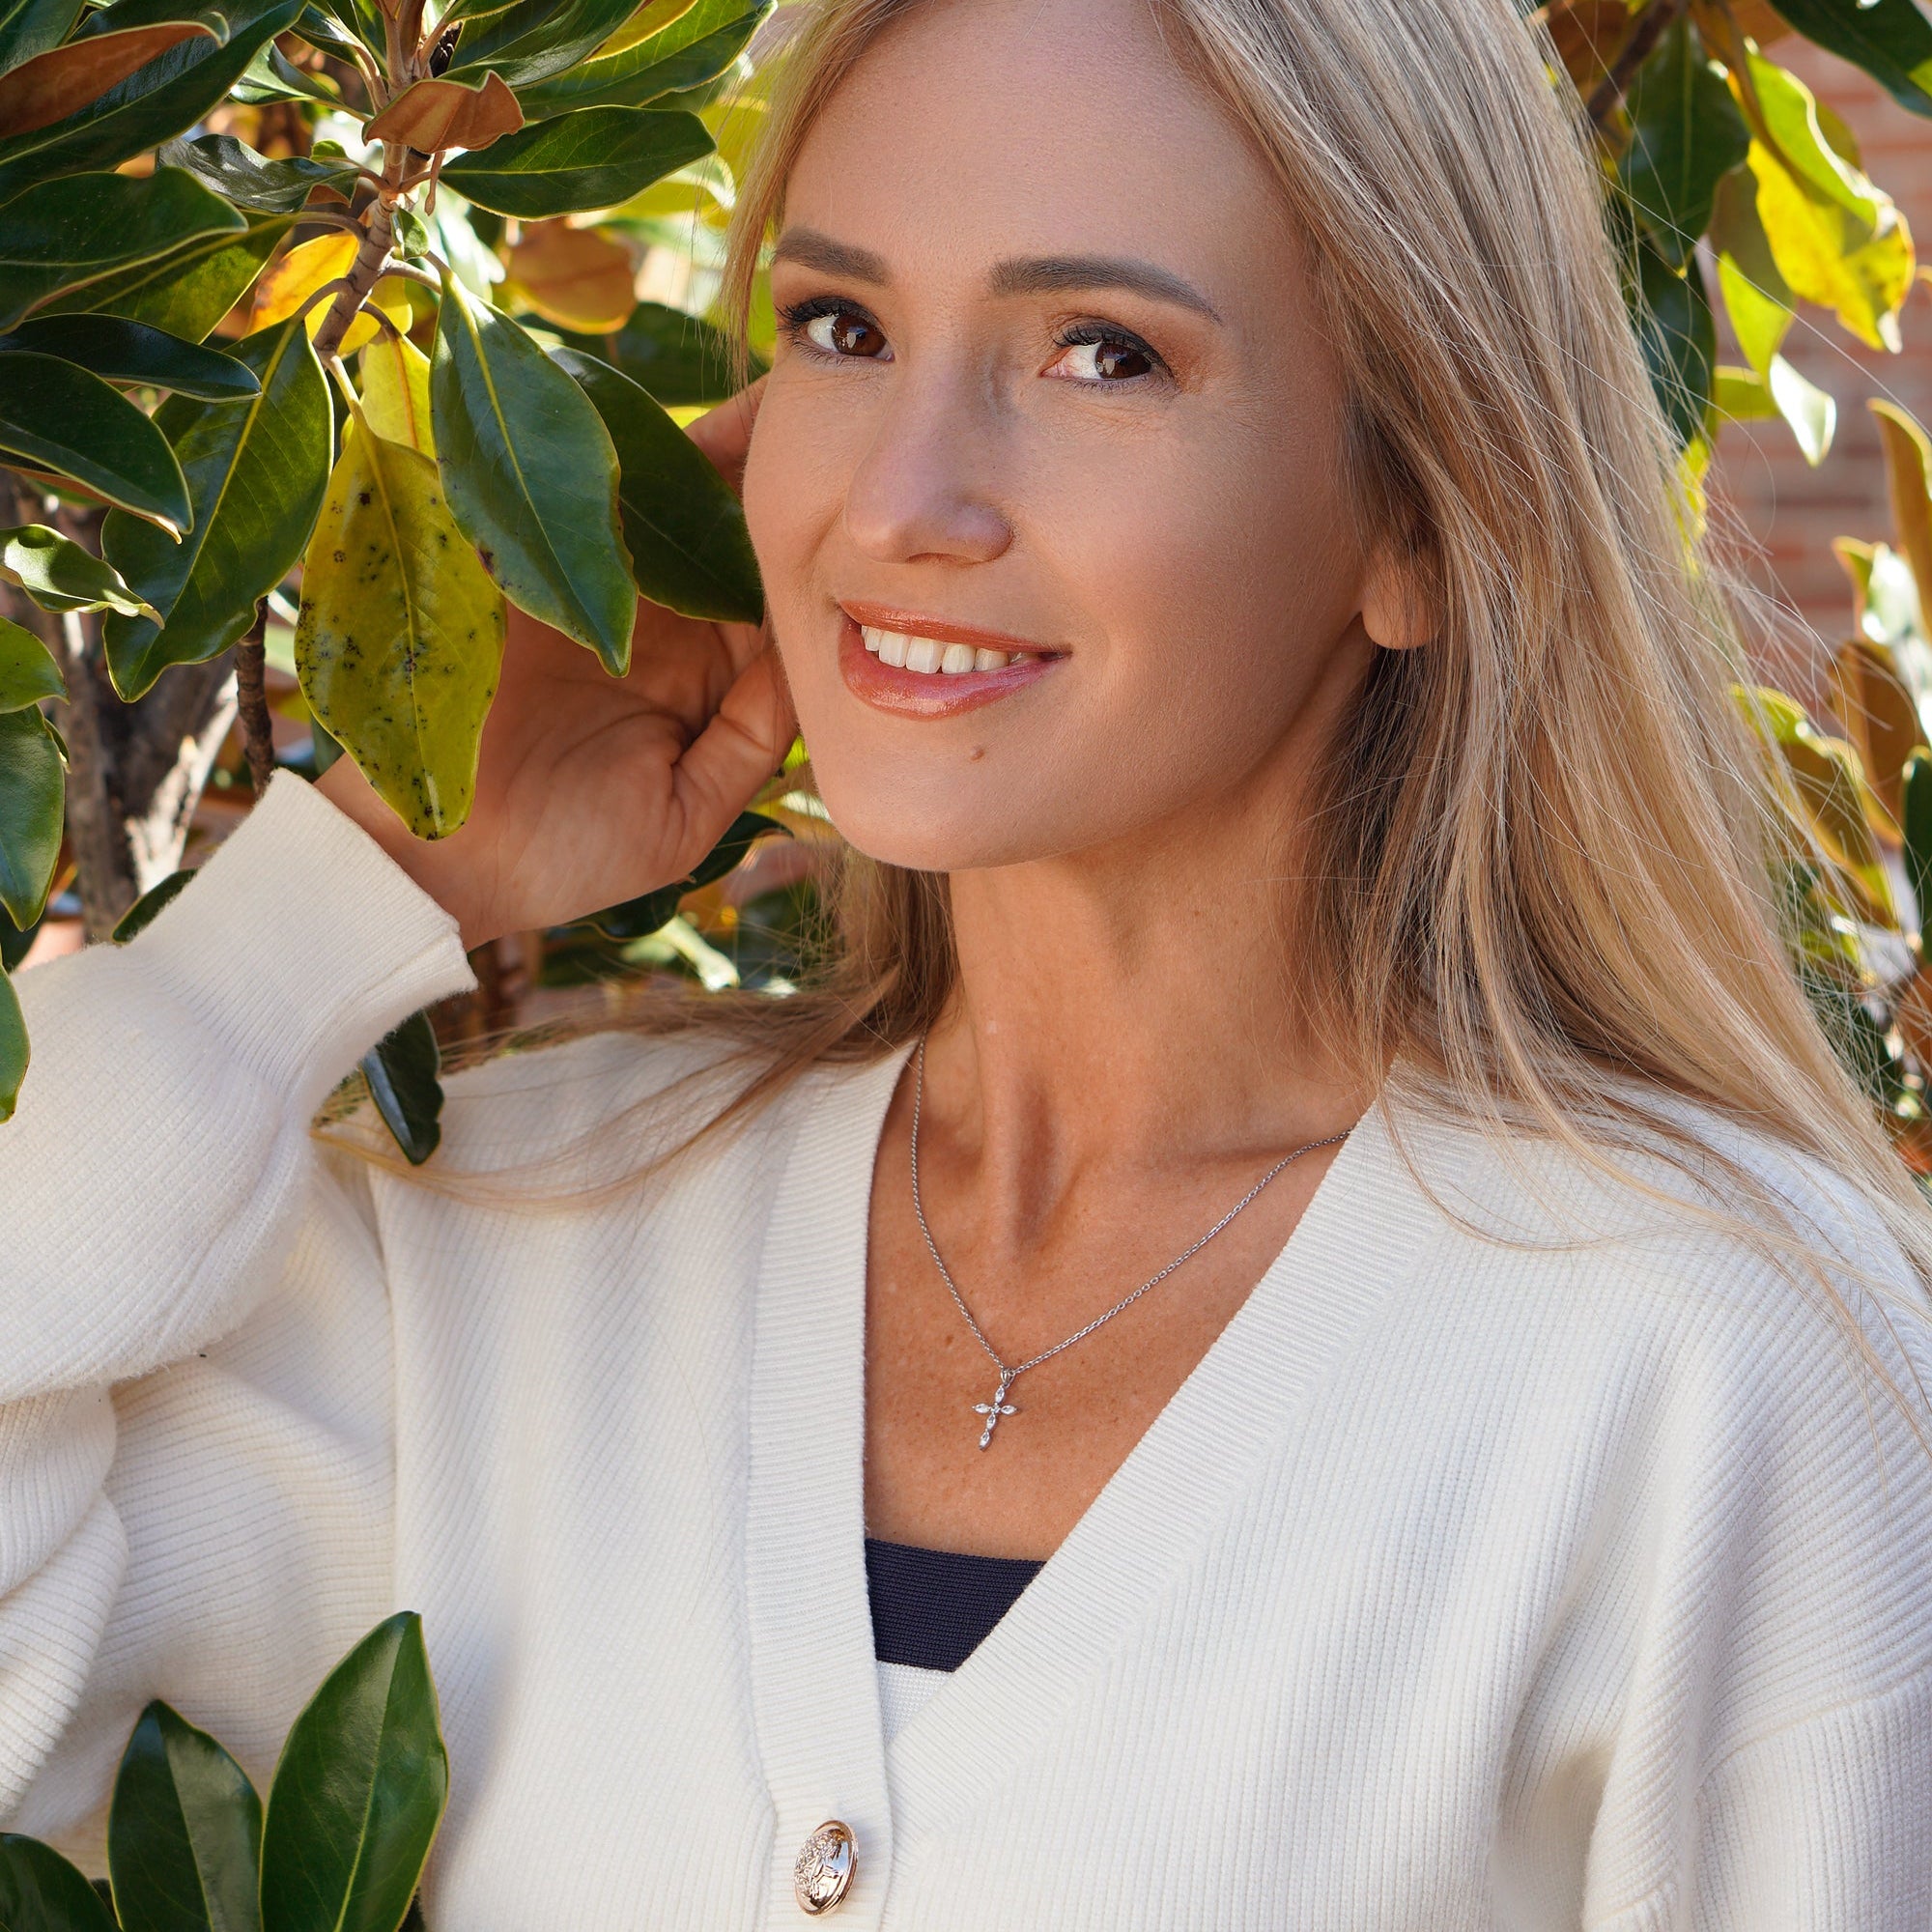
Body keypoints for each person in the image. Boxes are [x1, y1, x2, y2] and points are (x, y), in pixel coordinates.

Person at [7, 0, 1932, 1922]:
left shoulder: (1713, 1369)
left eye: (1104, 353)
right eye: (842, 327)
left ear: (1420, 518)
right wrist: (348, 878)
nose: (898, 502)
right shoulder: (507, 1244)